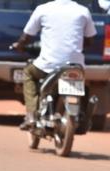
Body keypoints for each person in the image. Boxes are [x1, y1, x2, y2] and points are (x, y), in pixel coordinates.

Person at [12, 0, 97, 130]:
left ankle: (31, 115)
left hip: (48, 65)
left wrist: (19, 46)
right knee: (84, 87)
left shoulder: (43, 9)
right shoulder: (83, 11)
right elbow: (90, 40)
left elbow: (26, 36)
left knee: (29, 73)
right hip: (76, 66)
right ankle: (83, 117)